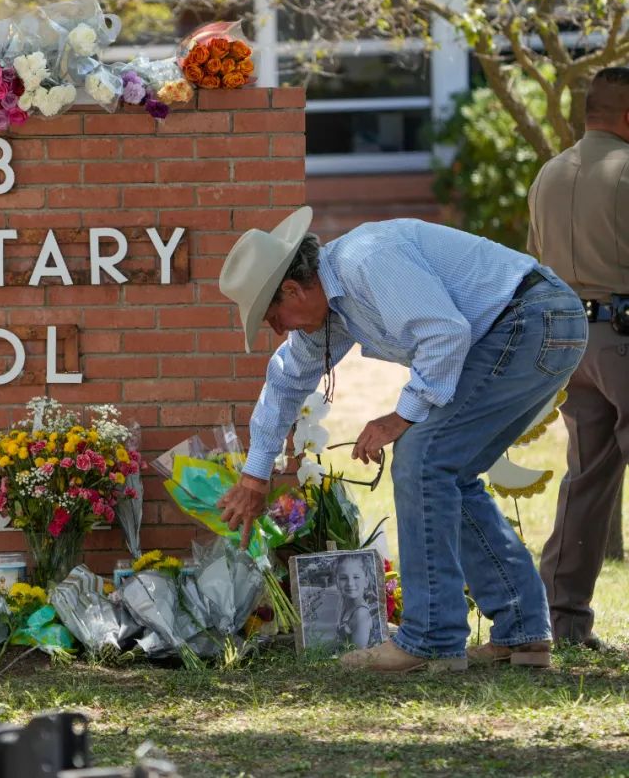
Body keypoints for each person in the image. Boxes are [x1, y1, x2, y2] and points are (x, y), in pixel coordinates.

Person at [216, 207, 585, 671]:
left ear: (293, 289)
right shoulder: (330, 308)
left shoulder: (366, 260)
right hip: (535, 323)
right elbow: (286, 382)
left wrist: (399, 418)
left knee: (422, 455)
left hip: (533, 319)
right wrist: (254, 477)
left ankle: (431, 639)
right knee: (446, 469)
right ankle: (523, 633)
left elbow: (444, 333)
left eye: (274, 317)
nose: (279, 330)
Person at [529, 67, 629, 650]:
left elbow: (535, 260)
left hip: (570, 340)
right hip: (623, 336)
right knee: (587, 477)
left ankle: (562, 621)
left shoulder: (548, 173)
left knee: (586, 478)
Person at [333, 555, 373, 649]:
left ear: (366, 582)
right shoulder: (344, 605)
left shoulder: (360, 614)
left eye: (356, 577)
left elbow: (359, 654)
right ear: (337, 582)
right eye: (343, 578)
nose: (350, 583)